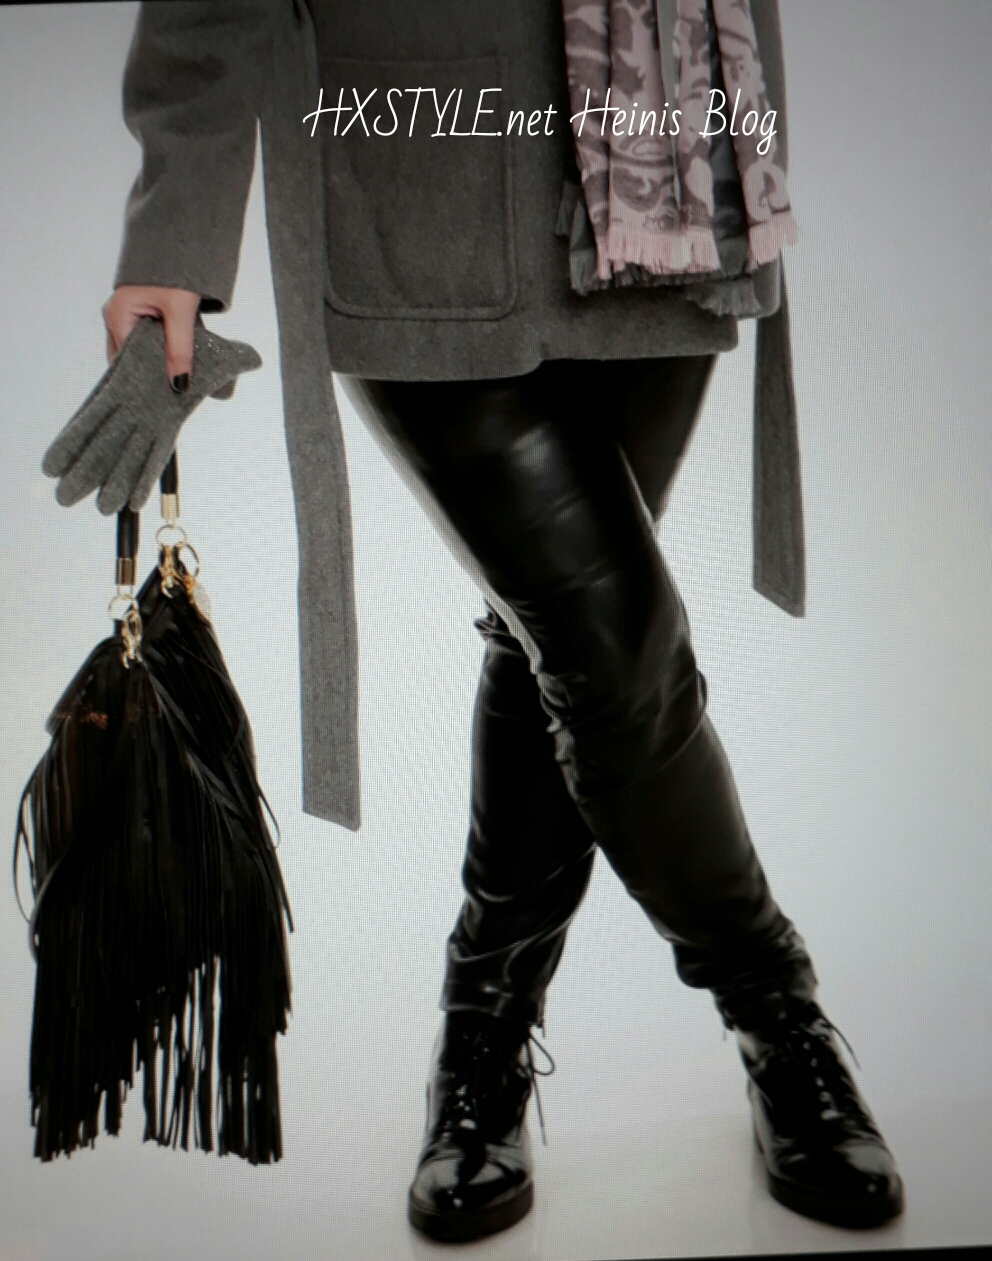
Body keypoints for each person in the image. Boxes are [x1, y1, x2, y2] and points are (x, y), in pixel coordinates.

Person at [89, 0, 903, 1245]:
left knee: (558, 647)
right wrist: (172, 231)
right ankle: (775, 1011)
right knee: (607, 649)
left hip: (669, 147)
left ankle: (481, 1039)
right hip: (420, 177)